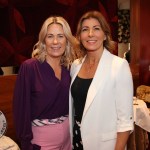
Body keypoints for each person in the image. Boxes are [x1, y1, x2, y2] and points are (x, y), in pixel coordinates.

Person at [69, 11, 134, 150]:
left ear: (105, 35)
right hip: (76, 139)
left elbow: (125, 121)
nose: (90, 34)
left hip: (104, 144)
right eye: (85, 29)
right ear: (80, 36)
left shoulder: (119, 66)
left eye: (96, 28)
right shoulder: (76, 65)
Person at [13, 16, 76, 150]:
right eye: (50, 36)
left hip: (69, 138)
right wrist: (26, 144)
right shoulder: (29, 67)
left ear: (67, 40)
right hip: (42, 141)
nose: (55, 41)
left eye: (60, 36)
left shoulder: (70, 68)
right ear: (43, 41)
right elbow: (20, 110)